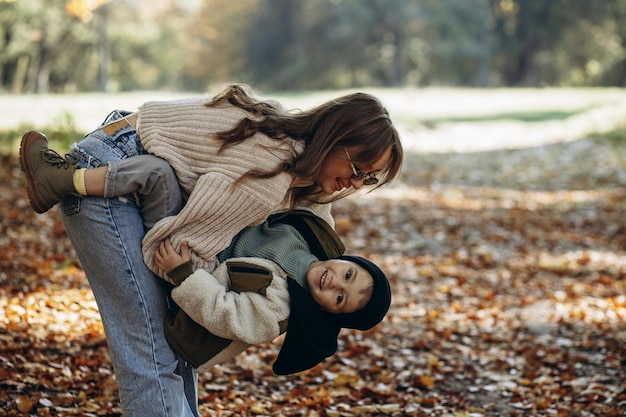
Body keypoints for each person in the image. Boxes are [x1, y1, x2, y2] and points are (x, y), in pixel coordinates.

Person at [19, 84, 403, 417]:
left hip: (118, 146)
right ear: (335, 137)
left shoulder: (291, 147)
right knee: (152, 348)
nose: (354, 183)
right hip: (112, 170)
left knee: (170, 350)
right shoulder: (268, 177)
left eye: (368, 179)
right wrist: (191, 283)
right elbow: (176, 245)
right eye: (357, 167)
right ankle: (58, 179)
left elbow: (317, 218)